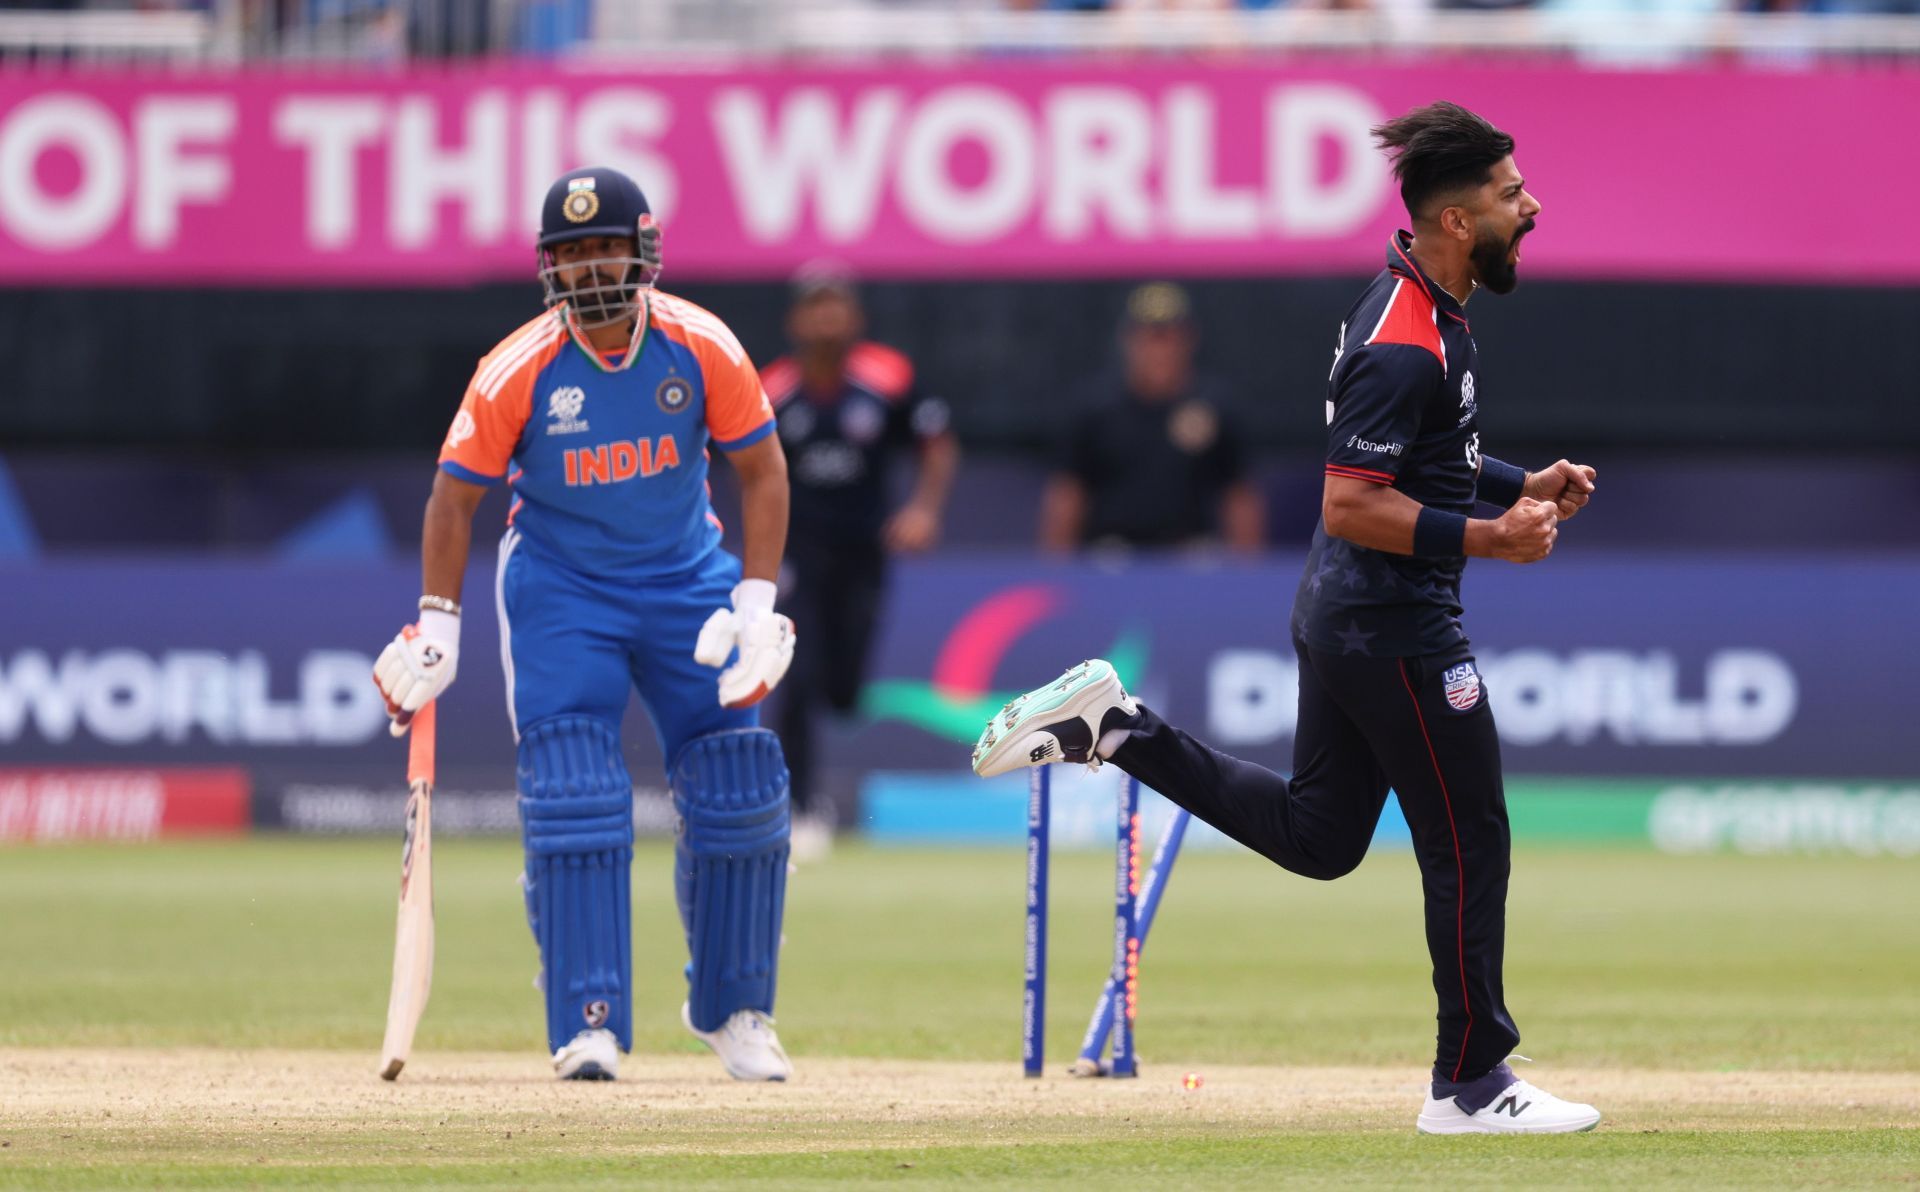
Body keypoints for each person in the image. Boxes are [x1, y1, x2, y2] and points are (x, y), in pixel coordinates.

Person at [975, 103, 1604, 1135]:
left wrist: (1516, 481)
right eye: (1508, 192)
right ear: (1454, 218)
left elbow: (1420, 458)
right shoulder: (1405, 337)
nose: (1529, 205)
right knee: (1470, 834)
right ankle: (1472, 1084)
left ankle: (1117, 728)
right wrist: (1494, 539)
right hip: (1393, 623)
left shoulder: (1422, 306)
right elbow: (1350, 500)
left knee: (1322, 837)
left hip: (1354, 613)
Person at [372, 166, 799, 1084]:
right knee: (576, 795)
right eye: (570, 254)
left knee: (740, 787)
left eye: (605, 247)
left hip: (689, 585)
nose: (590, 268)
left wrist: (757, 603)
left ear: (642, 251)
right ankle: (587, 1020)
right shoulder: (518, 366)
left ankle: (733, 1010)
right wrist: (436, 624)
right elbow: (454, 502)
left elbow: (762, 473)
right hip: (565, 592)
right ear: (547, 269)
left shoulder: (701, 345)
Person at [761, 264, 959, 860]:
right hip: (798, 555)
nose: (826, 318)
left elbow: (939, 443)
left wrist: (923, 510)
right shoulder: (773, 390)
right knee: (795, 677)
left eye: (837, 306)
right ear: (796, 320)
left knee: (842, 690)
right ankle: (798, 809)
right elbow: (744, 465)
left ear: (856, 317)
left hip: (865, 555)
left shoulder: (887, 378)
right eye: (815, 307)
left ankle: (832, 707)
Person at [1039, 281, 1264, 553]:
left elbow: (1238, 496)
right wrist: (1056, 571)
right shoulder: (1095, 410)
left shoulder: (1216, 407)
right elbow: (1068, 494)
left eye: (1168, 338)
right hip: (1111, 553)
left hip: (1192, 555)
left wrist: (1247, 574)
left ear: (1188, 340)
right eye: (1149, 339)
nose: (1159, 351)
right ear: (1128, 342)